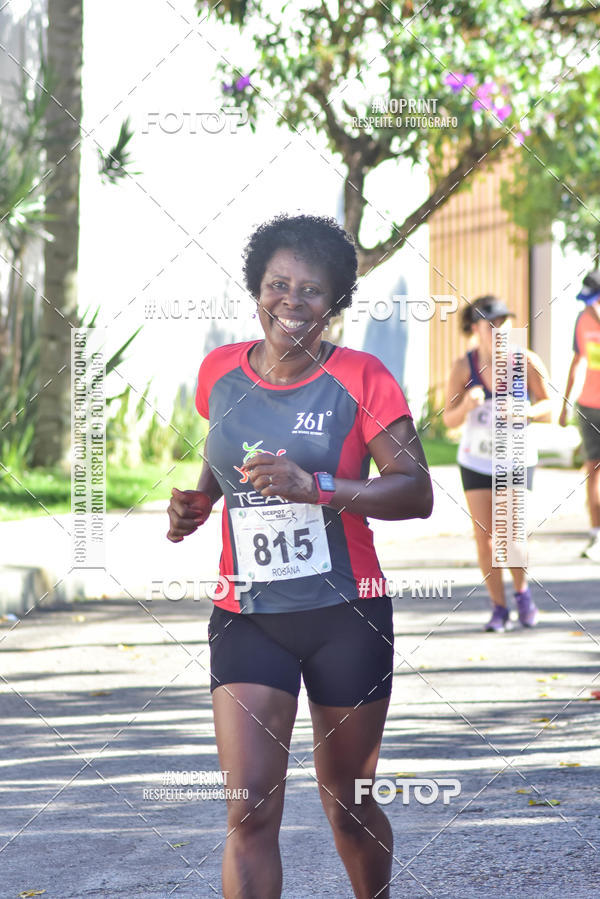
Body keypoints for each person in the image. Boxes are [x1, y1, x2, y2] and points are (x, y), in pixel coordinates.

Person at [166, 214, 433, 899]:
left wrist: (316, 487)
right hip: (247, 614)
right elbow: (221, 447)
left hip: (347, 615)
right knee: (248, 808)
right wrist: (200, 500)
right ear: (256, 288)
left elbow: (414, 491)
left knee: (347, 805)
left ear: (336, 302)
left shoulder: (363, 378)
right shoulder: (219, 371)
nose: (292, 300)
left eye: (312, 290)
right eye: (278, 284)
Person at [443, 295, 552, 632]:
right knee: (484, 537)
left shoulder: (525, 361)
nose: (499, 329)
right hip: (476, 458)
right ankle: (498, 607)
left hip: (515, 455)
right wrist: (466, 406)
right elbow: (448, 418)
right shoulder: (465, 367)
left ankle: (522, 594)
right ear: (475, 328)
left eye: (504, 322)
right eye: (490, 323)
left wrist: (527, 411)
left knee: (510, 533)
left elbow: (551, 406)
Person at [559, 270, 600, 562]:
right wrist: (564, 404)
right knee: (593, 471)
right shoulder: (582, 320)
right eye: (586, 302)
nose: (590, 307)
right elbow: (577, 362)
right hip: (589, 406)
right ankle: (596, 535)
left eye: (594, 301)